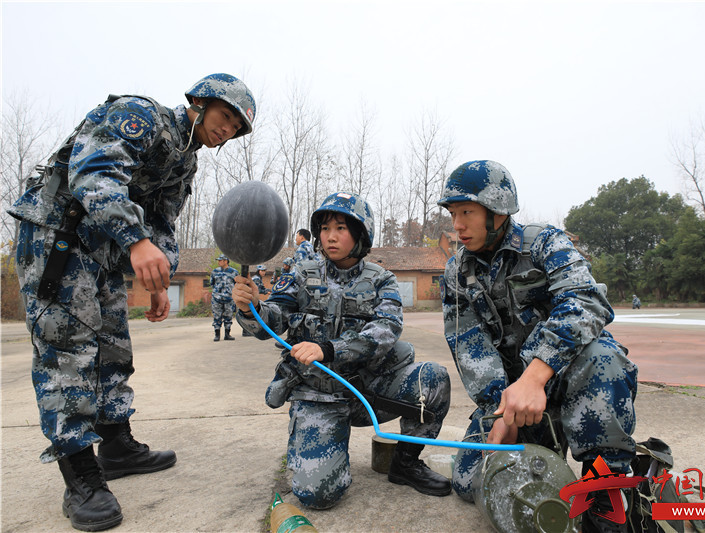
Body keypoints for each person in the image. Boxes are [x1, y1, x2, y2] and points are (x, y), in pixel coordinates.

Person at [7, 73, 256, 531]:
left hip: (101, 248)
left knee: (114, 347)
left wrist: (162, 281)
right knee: (68, 352)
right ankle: (80, 474)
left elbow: (162, 222)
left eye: (236, 128)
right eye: (226, 116)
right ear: (199, 102)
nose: (227, 130)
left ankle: (116, 445)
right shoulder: (141, 116)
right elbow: (94, 172)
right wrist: (135, 240)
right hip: (58, 237)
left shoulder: (184, 162)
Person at [437, 160, 638, 533]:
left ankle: (606, 481)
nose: (457, 225)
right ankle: (545, 442)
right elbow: (468, 345)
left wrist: (534, 376)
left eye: (466, 212)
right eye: (453, 214)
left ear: (498, 211)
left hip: (566, 382)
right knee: (470, 483)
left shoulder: (545, 242)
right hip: (514, 399)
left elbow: (587, 300)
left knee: (603, 358)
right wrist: (502, 413)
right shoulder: (456, 272)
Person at [232, 191, 452, 509]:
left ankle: (405, 464)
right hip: (318, 396)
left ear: (360, 233)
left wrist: (330, 349)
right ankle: (329, 456)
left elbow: (386, 331)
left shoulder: (382, 280)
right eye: (324, 228)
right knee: (317, 496)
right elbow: (272, 323)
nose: (330, 236)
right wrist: (251, 308)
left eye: (340, 228)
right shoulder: (300, 274)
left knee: (433, 378)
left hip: (368, 391)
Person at [209, 254, 238, 341]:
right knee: (217, 316)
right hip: (217, 298)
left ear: (226, 261)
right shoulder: (214, 272)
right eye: (218, 260)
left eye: (220, 260)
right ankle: (217, 335)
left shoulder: (234, 272)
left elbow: (237, 284)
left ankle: (227, 334)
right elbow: (212, 283)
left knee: (228, 316)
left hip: (229, 298)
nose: (218, 262)